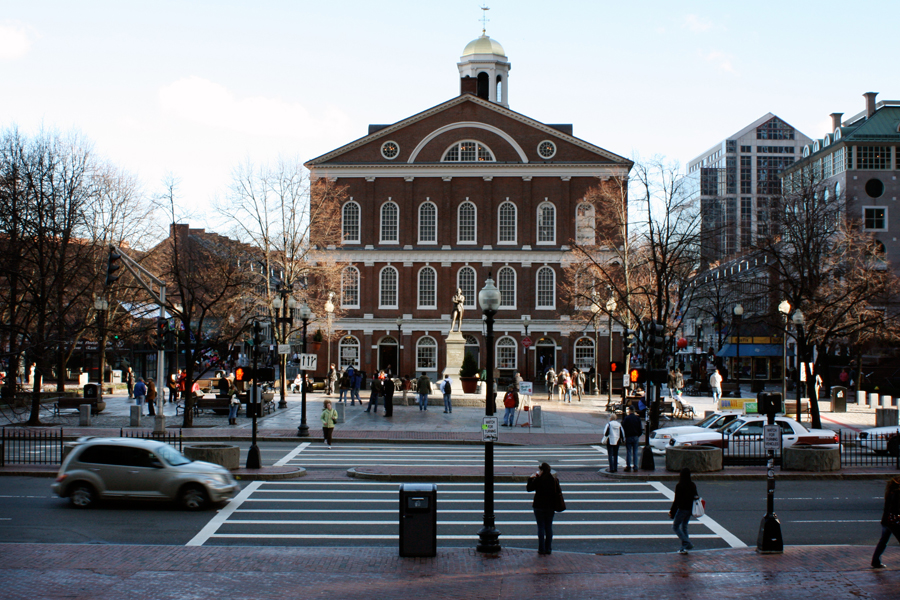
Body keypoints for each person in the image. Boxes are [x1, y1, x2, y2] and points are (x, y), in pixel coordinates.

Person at [526, 462, 561, 555]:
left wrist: (530, 478)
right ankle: (548, 548)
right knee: (548, 527)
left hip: (539, 506)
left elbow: (529, 488)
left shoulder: (538, 480)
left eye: (539, 470)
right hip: (550, 507)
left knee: (541, 527)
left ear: (542, 470)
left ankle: (541, 548)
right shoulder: (553, 480)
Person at [872, 475, 900, 568]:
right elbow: (896, 508)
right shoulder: (897, 493)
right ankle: (875, 561)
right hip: (894, 522)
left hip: (886, 521)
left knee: (883, 541)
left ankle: (875, 561)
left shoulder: (889, 492)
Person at [669, 467, 698, 554]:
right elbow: (696, 496)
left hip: (682, 509)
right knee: (684, 526)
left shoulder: (679, 486)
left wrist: (672, 512)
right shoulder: (692, 485)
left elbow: (676, 501)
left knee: (675, 526)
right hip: (690, 509)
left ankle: (687, 543)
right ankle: (684, 548)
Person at [622, 405, 643, 472]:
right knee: (635, 452)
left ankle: (628, 466)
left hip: (628, 436)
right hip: (635, 436)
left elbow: (623, 427)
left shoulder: (627, 418)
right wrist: (638, 435)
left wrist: (624, 436)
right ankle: (635, 466)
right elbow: (640, 429)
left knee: (628, 452)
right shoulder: (637, 418)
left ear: (629, 411)